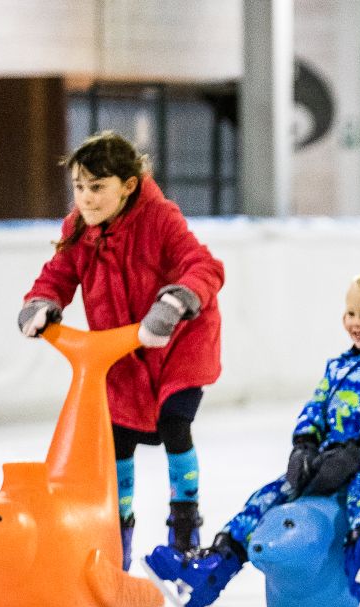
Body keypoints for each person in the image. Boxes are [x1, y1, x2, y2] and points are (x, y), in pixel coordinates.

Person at [144, 268, 360, 607]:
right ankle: (215, 565)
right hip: (328, 461)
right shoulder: (339, 366)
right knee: (269, 496)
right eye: (350, 313)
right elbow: (316, 407)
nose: (355, 322)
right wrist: (305, 445)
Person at [18, 131, 223, 572]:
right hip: (122, 353)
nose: (87, 199)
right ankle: (117, 535)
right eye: (79, 187)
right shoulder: (77, 229)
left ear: (128, 185)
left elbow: (203, 267)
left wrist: (173, 304)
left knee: (174, 423)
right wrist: (41, 303)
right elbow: (57, 275)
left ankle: (184, 529)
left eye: (98, 187)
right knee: (118, 439)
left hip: (177, 342)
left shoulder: (161, 219)